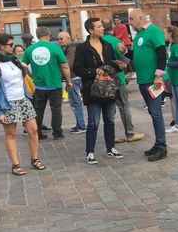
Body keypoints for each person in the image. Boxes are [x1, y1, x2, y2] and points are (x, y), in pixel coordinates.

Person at [0, 33, 46, 175]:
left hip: (23, 99)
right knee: (11, 133)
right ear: (1, 46)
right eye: (10, 45)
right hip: (7, 102)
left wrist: (25, 67)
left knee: (33, 130)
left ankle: (34, 159)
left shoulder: (13, 60)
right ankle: (15, 164)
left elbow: (26, 77)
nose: (13, 47)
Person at [73, 18, 126, 165]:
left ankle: (111, 148)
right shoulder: (83, 48)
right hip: (92, 90)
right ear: (91, 30)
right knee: (93, 122)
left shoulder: (108, 45)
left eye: (102, 26)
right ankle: (90, 152)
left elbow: (112, 63)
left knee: (109, 120)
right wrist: (93, 71)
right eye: (99, 26)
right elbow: (77, 69)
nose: (102, 28)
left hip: (109, 89)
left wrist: (119, 65)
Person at [128, 9, 168, 162]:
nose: (130, 22)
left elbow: (161, 53)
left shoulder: (153, 31)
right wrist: (125, 52)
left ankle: (162, 147)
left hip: (153, 81)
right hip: (143, 81)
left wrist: (158, 75)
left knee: (156, 112)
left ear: (141, 18)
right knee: (153, 113)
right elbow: (136, 55)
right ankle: (158, 144)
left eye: (132, 19)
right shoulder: (139, 35)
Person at [22, 27, 72, 140]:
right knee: (56, 110)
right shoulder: (55, 48)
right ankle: (57, 133)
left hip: (38, 85)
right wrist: (68, 81)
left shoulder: (30, 50)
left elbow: (23, 64)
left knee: (38, 110)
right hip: (54, 84)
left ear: (37, 35)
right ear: (48, 34)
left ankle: (37, 133)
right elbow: (65, 66)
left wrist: (30, 76)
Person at [101, 19, 144, 143]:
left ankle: (111, 136)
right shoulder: (115, 41)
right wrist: (122, 64)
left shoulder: (97, 41)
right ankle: (129, 133)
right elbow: (126, 59)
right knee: (124, 106)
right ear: (112, 27)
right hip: (117, 79)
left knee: (109, 108)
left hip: (103, 80)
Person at [57, 32, 86, 135]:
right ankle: (79, 124)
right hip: (73, 78)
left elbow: (68, 64)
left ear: (68, 39)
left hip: (74, 78)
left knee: (76, 102)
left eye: (62, 38)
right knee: (74, 102)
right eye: (59, 39)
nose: (60, 40)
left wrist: (60, 69)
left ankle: (81, 126)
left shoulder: (71, 49)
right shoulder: (68, 49)